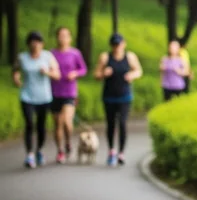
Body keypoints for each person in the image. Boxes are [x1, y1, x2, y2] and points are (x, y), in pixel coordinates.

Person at [93, 33, 142, 166]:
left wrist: (132, 75)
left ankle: (121, 152)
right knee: (110, 124)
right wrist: (103, 74)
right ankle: (111, 150)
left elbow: (139, 70)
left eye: (119, 44)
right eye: (114, 45)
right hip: (109, 96)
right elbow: (95, 75)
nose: (117, 47)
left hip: (125, 96)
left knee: (122, 123)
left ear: (124, 44)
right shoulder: (105, 57)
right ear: (111, 45)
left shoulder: (130, 57)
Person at [13, 31, 60, 168]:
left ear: (42, 44)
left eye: (38, 41)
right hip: (27, 96)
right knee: (29, 124)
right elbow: (15, 70)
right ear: (28, 44)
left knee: (41, 126)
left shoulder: (48, 56)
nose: (35, 44)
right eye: (33, 41)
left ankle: (39, 149)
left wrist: (47, 72)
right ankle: (29, 154)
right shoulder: (22, 57)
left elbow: (57, 74)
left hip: (44, 97)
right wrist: (16, 78)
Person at [50, 26, 88, 163]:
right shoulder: (51, 54)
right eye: (60, 35)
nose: (63, 38)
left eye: (66, 35)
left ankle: (68, 142)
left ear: (70, 38)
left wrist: (75, 73)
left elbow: (83, 69)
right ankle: (60, 150)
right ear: (57, 37)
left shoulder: (75, 53)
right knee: (57, 124)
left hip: (70, 92)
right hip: (54, 92)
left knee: (67, 121)